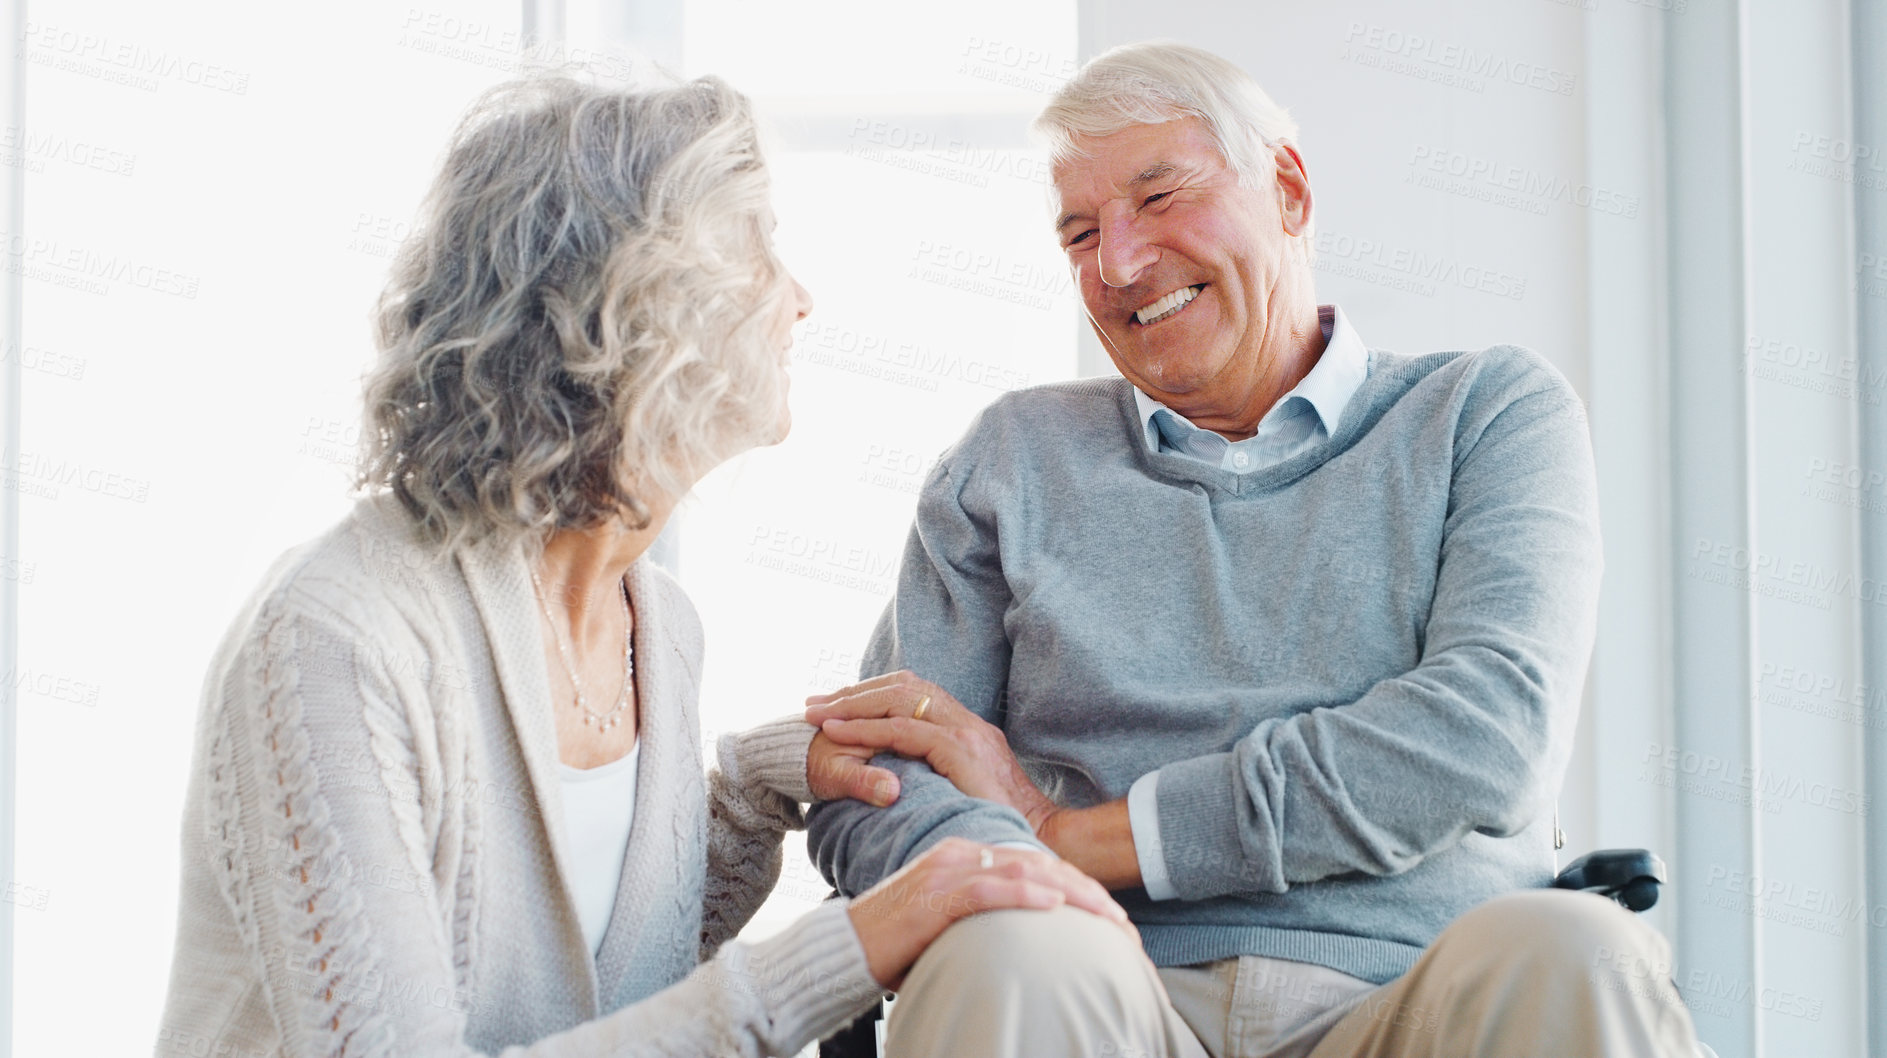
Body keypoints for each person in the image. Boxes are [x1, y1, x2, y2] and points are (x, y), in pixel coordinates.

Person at [153, 73, 1139, 1058]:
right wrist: (850, 945)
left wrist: (753, 793)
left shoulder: (658, 625)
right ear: (642, 306)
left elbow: (600, 996)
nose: (800, 299)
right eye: (762, 250)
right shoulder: (342, 631)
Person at [804, 42, 1707, 1058]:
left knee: (1580, 950)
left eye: (1158, 198)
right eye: (1079, 232)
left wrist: (1089, 835)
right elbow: (870, 791)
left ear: (1286, 188)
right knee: (1005, 955)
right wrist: (1022, 865)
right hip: (1107, 982)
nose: (1118, 262)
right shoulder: (1010, 461)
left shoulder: (1486, 414)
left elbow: (1484, 738)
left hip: (1419, 984)